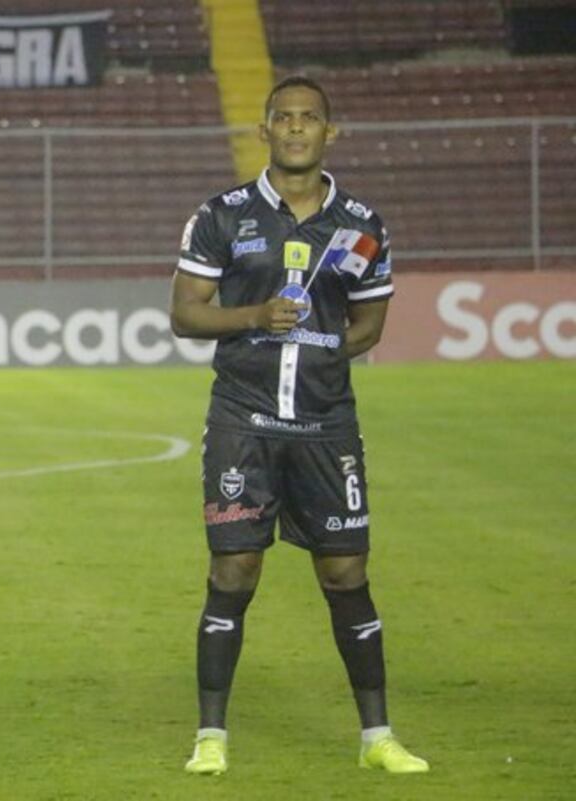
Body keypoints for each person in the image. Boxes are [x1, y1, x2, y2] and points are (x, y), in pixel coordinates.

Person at [169, 76, 428, 776]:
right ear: (264, 131)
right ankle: (210, 736)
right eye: (282, 117)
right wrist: (254, 318)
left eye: (309, 118)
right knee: (235, 568)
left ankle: (377, 736)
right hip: (241, 422)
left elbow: (370, 320)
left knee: (346, 572)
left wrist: (319, 348)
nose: (295, 128)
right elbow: (185, 313)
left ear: (329, 132)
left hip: (326, 425)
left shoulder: (362, 224)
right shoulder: (222, 216)